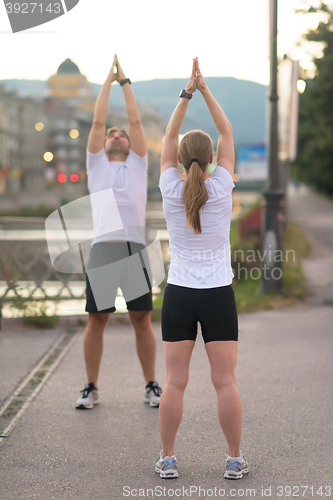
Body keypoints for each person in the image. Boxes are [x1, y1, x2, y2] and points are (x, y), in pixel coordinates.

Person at [155, 58, 249, 479]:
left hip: (179, 293)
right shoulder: (224, 185)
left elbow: (170, 135)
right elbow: (227, 131)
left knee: (174, 382)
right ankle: (233, 461)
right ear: (212, 158)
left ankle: (168, 460)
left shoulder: (169, 187)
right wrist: (206, 90)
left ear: (178, 158)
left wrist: (185, 94)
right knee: (224, 381)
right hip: (217, 295)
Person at [76, 55, 162, 410]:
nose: (115, 134)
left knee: (141, 319)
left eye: (121, 134)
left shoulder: (138, 164)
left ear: (130, 146)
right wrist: (106, 83)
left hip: (134, 249)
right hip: (103, 248)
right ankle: (90, 387)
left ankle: (152, 385)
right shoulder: (95, 163)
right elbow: (98, 119)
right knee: (97, 319)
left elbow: (135, 119)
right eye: (111, 133)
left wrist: (124, 83)